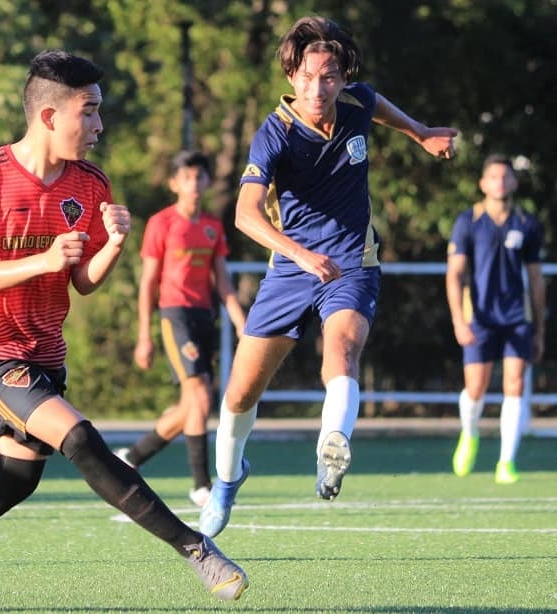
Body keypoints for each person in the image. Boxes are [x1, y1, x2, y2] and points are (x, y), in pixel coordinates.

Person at [0, 50, 248, 610]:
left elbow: (84, 282)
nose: (99, 126)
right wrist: (43, 260)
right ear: (49, 116)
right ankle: (195, 548)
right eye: (89, 112)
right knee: (79, 438)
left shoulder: (91, 183)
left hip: (44, 350)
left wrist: (114, 246)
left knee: (14, 481)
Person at [198, 15, 458, 538]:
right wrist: (299, 253)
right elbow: (247, 215)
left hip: (352, 263)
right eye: (309, 77)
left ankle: (331, 445)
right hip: (290, 271)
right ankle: (226, 482)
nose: (319, 88)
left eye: (330, 77)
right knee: (240, 396)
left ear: (342, 79)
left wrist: (422, 133)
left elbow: (376, 104)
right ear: (292, 77)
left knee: (343, 351)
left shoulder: (357, 101)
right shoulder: (274, 134)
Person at [114, 150, 246, 507]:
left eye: (199, 176)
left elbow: (223, 283)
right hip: (175, 316)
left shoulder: (212, 226)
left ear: (206, 181)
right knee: (201, 396)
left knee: (191, 405)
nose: (193, 183)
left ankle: (132, 458)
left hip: (204, 318)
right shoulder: (162, 224)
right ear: (174, 184)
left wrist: (241, 323)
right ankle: (202, 486)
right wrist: (144, 336)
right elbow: (148, 283)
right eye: (185, 177)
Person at [446, 154, 545, 484]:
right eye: (494, 177)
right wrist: (459, 320)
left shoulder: (527, 224)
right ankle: (470, 432)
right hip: (481, 318)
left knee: (514, 384)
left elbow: (535, 278)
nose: (500, 182)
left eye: (506, 177)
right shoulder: (468, 222)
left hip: (517, 317)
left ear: (514, 183)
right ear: (483, 184)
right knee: (476, 388)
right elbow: (455, 274)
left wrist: (539, 330)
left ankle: (506, 461)